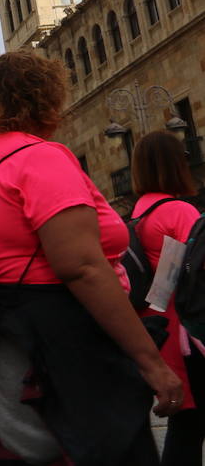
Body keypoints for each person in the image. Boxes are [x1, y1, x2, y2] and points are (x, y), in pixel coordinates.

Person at [0, 50, 181, 465]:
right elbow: (81, 266)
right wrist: (150, 362)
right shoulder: (40, 157)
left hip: (25, 330)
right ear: (48, 96)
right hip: (74, 338)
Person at [130, 130, 205, 466]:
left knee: (186, 423)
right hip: (189, 334)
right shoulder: (179, 212)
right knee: (189, 426)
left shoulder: (139, 213)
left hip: (158, 332)